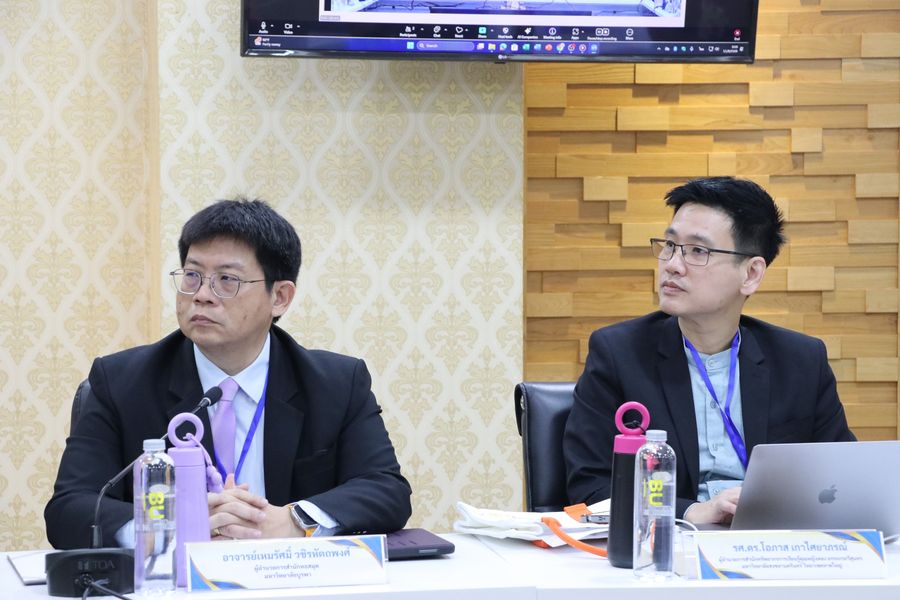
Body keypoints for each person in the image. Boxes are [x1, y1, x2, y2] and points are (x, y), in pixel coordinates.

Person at [45, 199, 412, 549]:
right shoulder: (122, 382)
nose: (202, 295)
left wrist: (294, 520)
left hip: (290, 577)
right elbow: (70, 509)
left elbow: (386, 490)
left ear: (280, 297)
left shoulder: (336, 384)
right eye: (192, 275)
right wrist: (170, 524)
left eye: (226, 280)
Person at [563, 176, 855, 525]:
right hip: (670, 542)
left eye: (697, 251)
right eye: (670, 245)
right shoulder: (619, 354)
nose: (672, 264)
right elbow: (591, 487)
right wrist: (692, 512)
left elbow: (845, 479)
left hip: (773, 541)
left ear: (751, 273)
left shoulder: (801, 361)